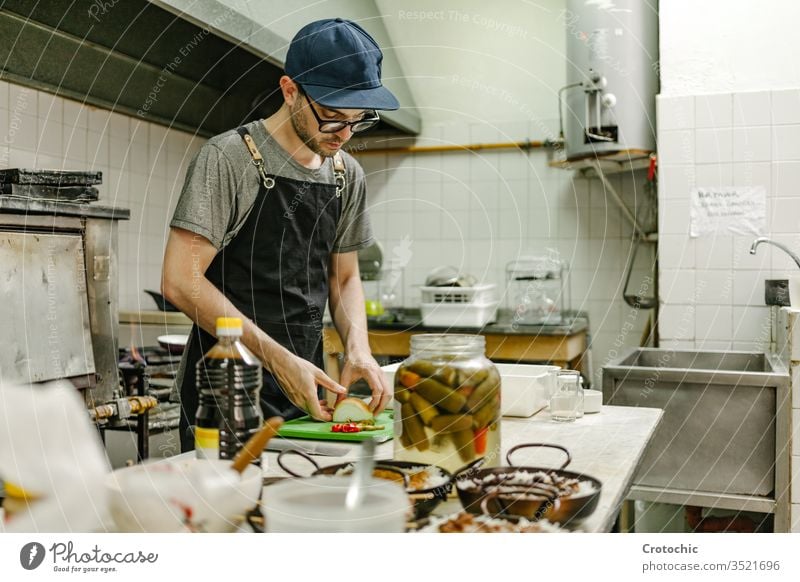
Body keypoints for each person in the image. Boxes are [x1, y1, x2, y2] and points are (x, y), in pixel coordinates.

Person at [162, 18, 399, 451]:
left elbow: (343, 278)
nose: (343, 136)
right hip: (224, 394)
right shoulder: (229, 159)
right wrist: (275, 358)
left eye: (357, 121)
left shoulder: (347, 175)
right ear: (290, 90)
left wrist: (358, 350)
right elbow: (181, 280)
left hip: (307, 395)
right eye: (331, 118)